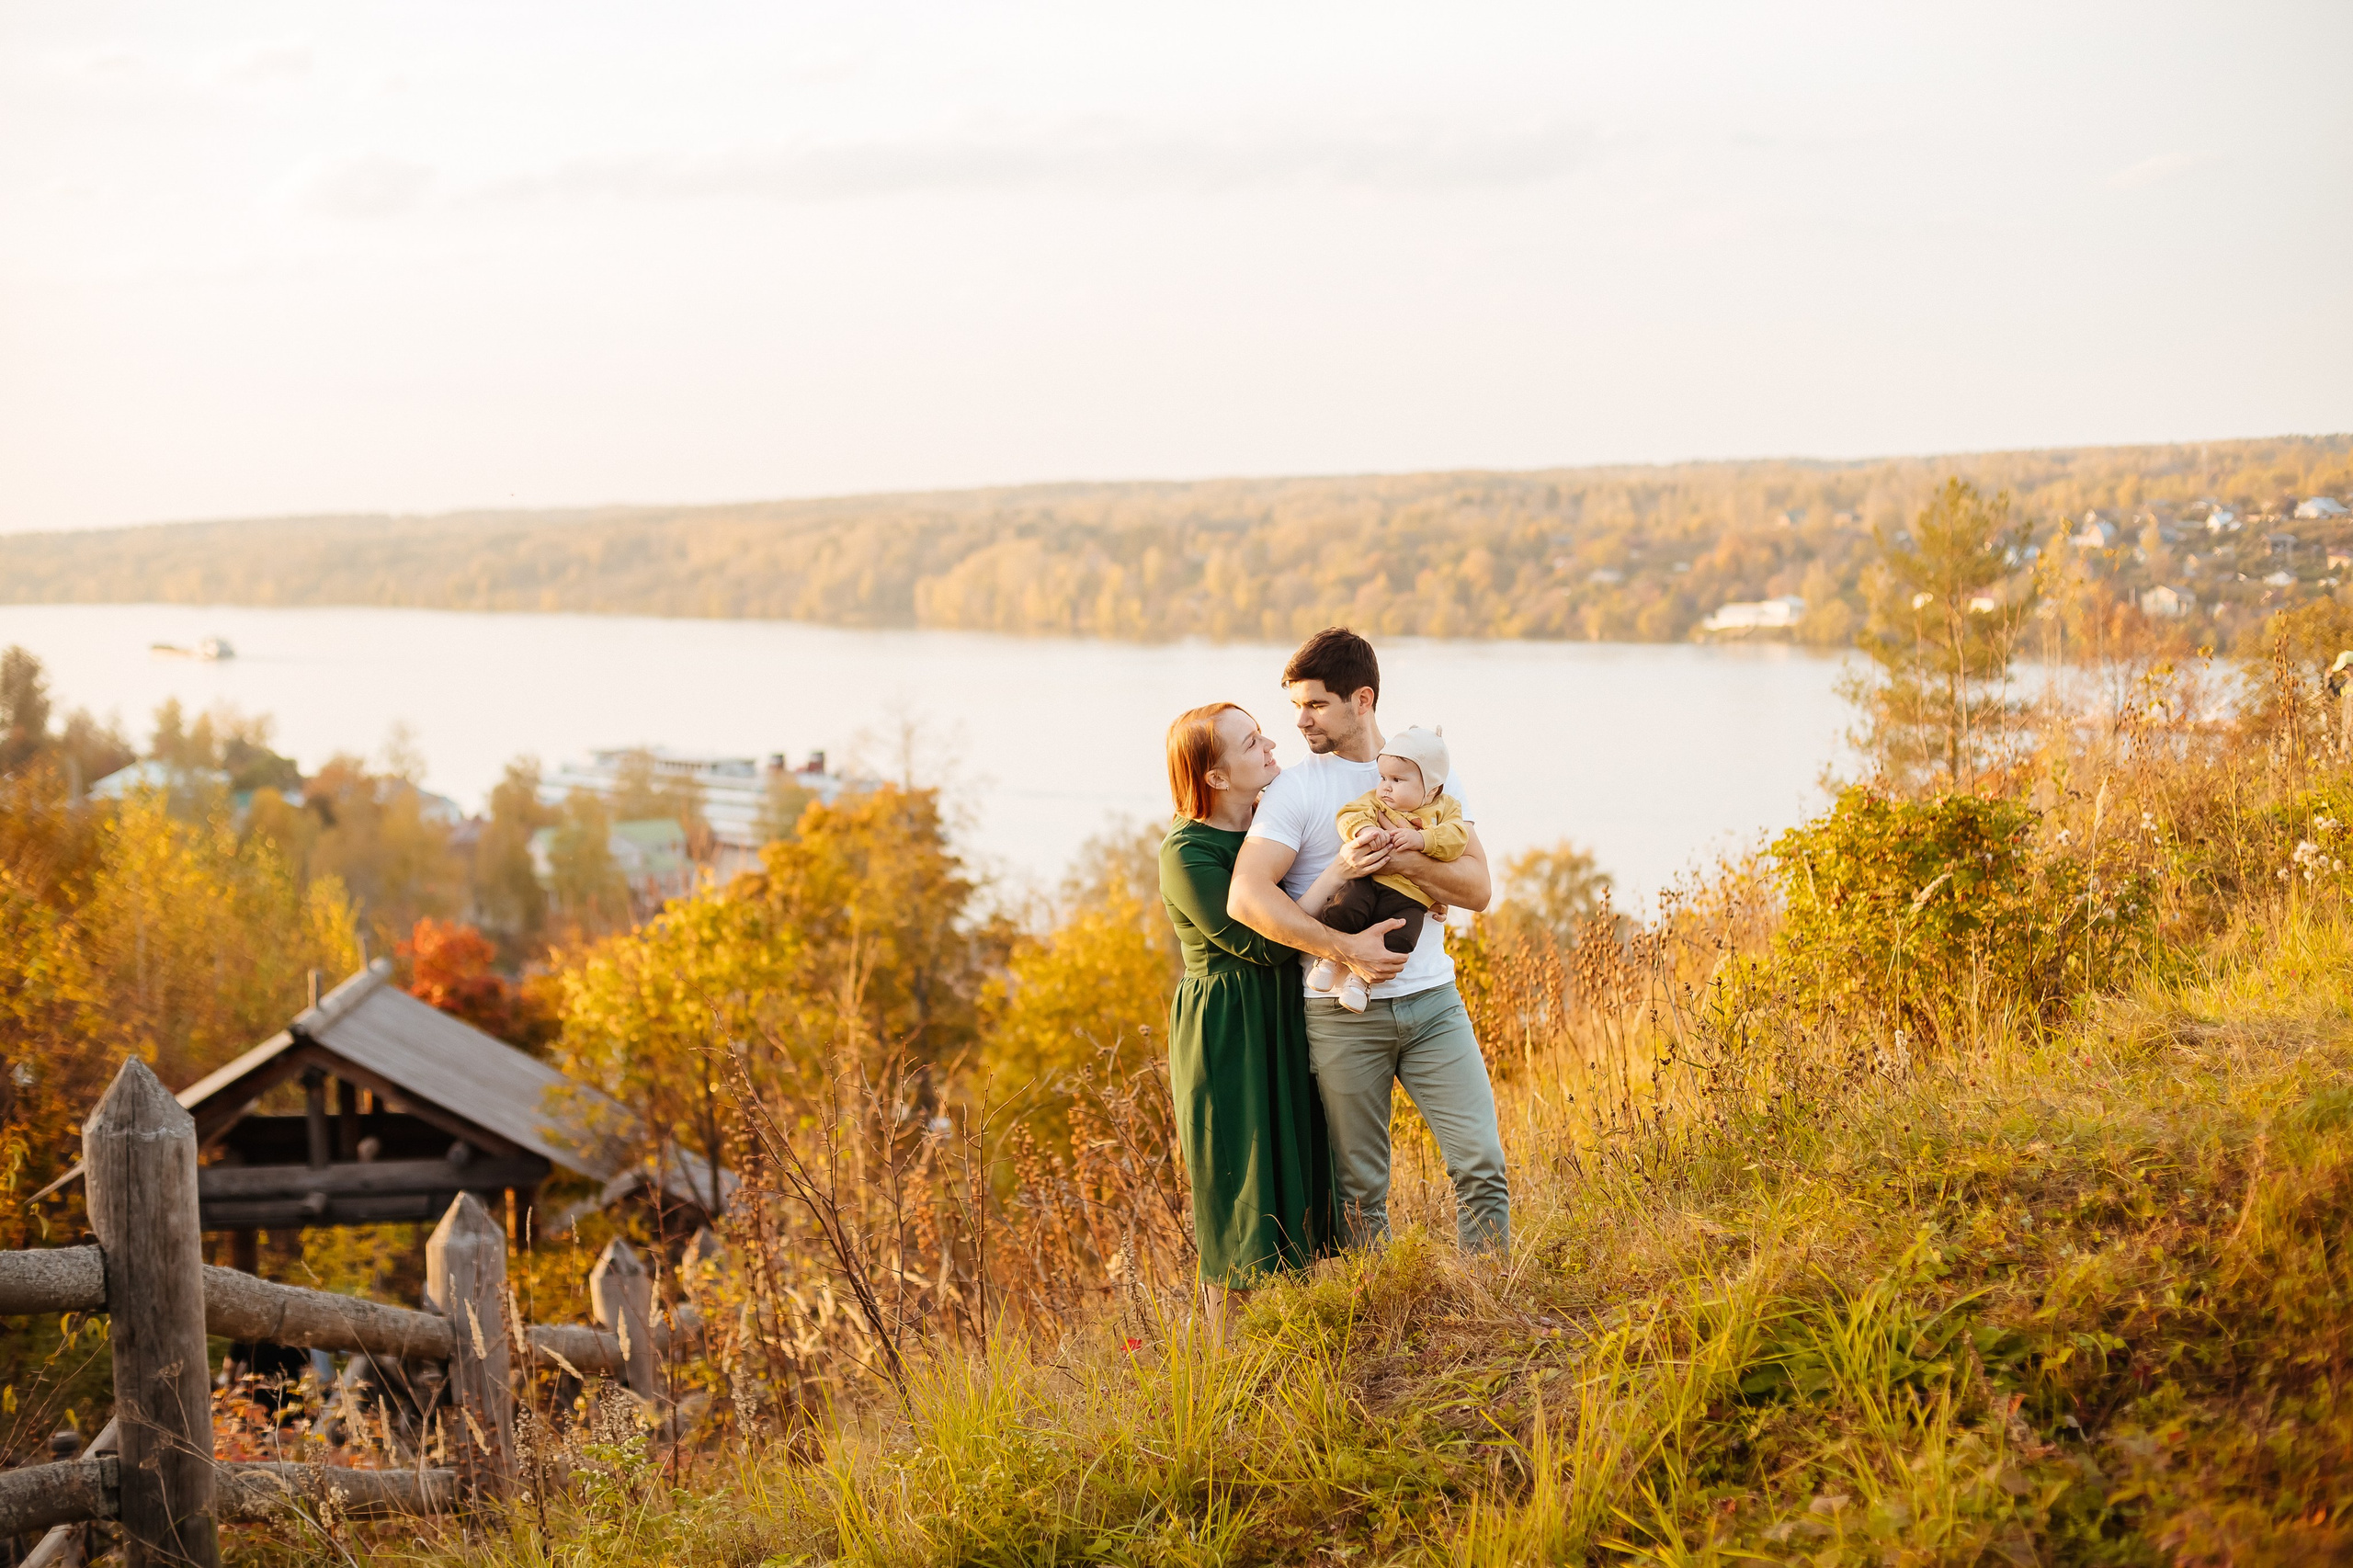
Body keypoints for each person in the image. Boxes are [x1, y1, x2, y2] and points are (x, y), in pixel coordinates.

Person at [1227, 629, 1512, 1255]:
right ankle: (1378, 1326)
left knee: (1482, 1165)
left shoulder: (1433, 776)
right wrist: (1343, 949)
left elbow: (1477, 887)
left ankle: (1495, 1303)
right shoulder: (1295, 790)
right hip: (1341, 1018)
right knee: (1360, 1193)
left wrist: (1404, 858)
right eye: (1296, 706)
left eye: (1315, 704)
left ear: (1362, 700)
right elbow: (1246, 895)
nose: (1299, 721)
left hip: (1435, 1006)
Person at [1156, 701, 1373, 1335]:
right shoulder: (1186, 851)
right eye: (1252, 743)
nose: (1272, 745)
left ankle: (1304, 1337)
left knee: (1301, 1162)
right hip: (1228, 1027)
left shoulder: (1270, 819)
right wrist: (1334, 872)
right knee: (1236, 1177)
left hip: (1287, 1007)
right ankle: (1221, 1361)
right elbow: (1263, 942)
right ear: (1216, 777)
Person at [1305, 724, 1468, 1012]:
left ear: (1431, 790)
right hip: (1371, 880)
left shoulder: (1446, 808)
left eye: (1397, 779)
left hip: (1411, 899)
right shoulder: (1377, 800)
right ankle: (1330, 961)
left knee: (1403, 937)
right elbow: (1350, 814)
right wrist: (1365, 830)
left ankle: (1361, 981)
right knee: (1347, 907)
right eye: (1383, 777)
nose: (1386, 786)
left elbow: (1456, 838)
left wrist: (1422, 838)